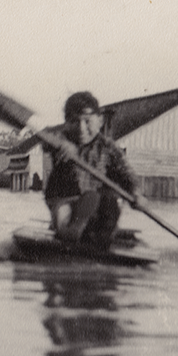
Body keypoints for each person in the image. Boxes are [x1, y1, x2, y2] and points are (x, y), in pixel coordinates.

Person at [41, 91, 144, 249]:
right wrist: (61, 144)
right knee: (77, 206)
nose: (82, 128)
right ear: (66, 123)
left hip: (95, 209)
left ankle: (97, 236)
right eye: (75, 122)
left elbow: (128, 175)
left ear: (100, 121)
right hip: (65, 203)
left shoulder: (109, 148)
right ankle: (71, 230)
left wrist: (136, 193)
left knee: (106, 199)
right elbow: (46, 139)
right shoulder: (60, 139)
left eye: (87, 121)